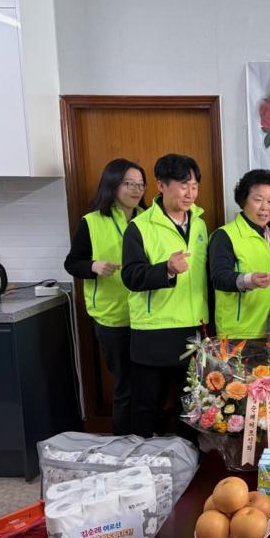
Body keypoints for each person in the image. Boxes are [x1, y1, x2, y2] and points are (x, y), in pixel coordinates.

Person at [122, 154, 208, 438]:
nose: (190, 193)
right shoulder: (139, 227)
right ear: (161, 185)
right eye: (183, 185)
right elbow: (131, 276)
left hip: (193, 327)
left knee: (191, 405)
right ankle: (141, 459)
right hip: (153, 329)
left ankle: (188, 458)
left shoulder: (200, 223)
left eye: (194, 186)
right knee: (147, 405)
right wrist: (167, 269)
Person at [64, 159, 147, 435]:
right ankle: (122, 442)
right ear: (112, 184)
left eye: (140, 184)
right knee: (124, 386)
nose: (136, 190)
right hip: (113, 317)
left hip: (149, 315)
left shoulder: (150, 218)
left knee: (148, 386)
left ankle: (146, 442)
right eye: (129, 183)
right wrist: (94, 266)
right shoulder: (92, 221)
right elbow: (72, 263)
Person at [209, 169, 270, 340]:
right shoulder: (225, 235)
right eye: (258, 200)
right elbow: (219, 278)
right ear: (243, 200)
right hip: (241, 334)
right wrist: (249, 280)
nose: (265, 207)